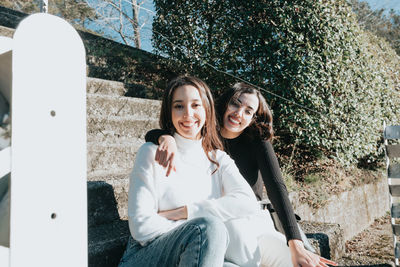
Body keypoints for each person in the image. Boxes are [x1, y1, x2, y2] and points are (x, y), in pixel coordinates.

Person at [145, 82, 338, 267]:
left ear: (254, 117)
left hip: (253, 216)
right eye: (235, 104)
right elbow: (158, 133)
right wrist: (165, 137)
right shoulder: (204, 133)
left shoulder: (257, 140)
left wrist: (295, 243)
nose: (239, 114)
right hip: (216, 219)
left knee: (300, 257)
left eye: (248, 111)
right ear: (225, 103)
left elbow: (276, 187)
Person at [119, 76, 292, 267]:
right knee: (211, 228)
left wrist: (185, 212)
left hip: (199, 253)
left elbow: (247, 202)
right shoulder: (152, 153)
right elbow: (142, 228)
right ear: (169, 112)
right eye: (179, 106)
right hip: (147, 255)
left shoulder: (217, 158)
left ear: (207, 110)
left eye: (196, 105)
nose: (188, 114)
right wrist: (198, 227)